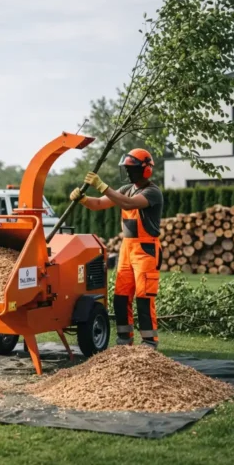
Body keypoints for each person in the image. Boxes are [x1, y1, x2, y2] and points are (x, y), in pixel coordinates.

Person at [70, 149, 164, 349]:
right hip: (127, 250)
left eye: (132, 169)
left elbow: (129, 204)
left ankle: (149, 341)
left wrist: (102, 186)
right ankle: (124, 340)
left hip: (146, 249)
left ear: (146, 170)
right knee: (120, 296)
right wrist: (83, 199)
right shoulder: (125, 189)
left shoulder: (152, 192)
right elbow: (98, 204)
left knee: (144, 297)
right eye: (127, 169)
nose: (128, 174)